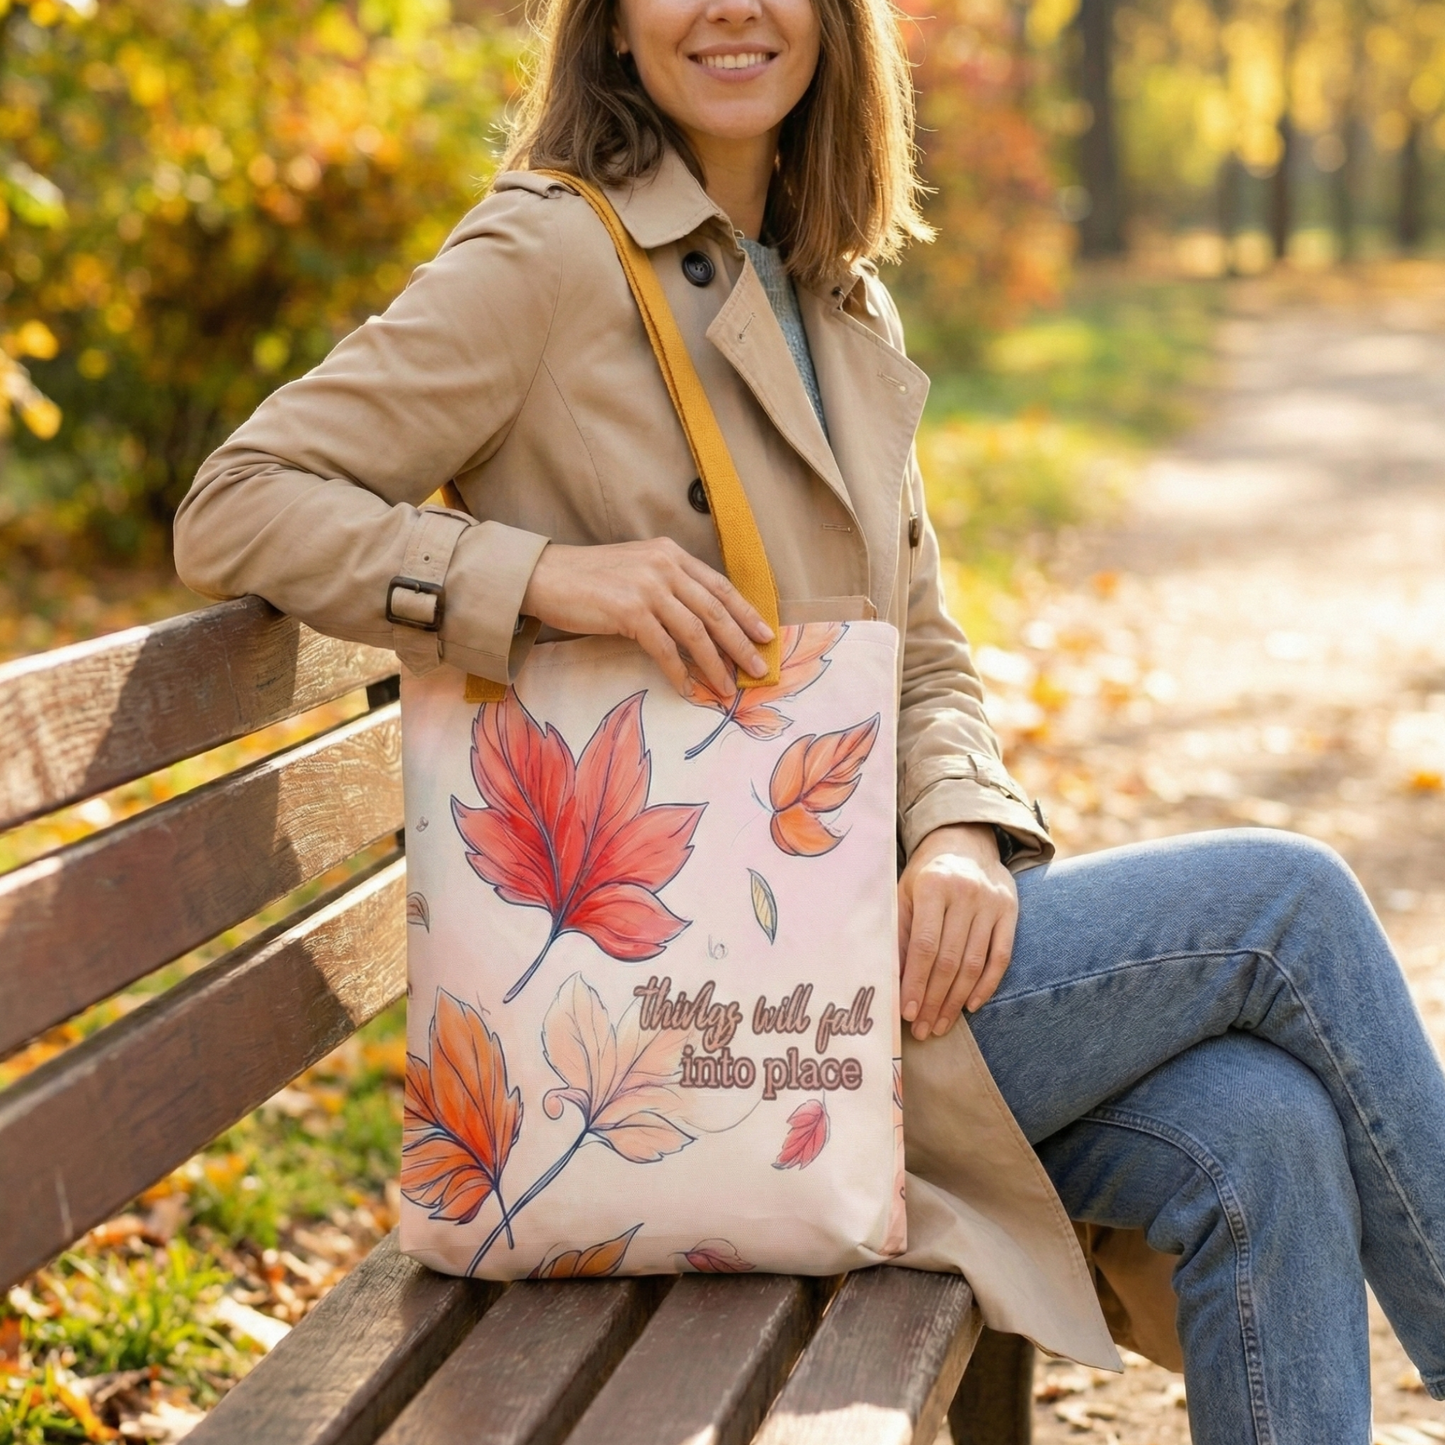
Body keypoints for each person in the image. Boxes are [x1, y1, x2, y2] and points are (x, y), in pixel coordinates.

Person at [172, 0, 1445, 1437]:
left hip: (836, 968)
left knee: (1261, 1132)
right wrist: (547, 578)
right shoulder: (548, 255)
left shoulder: (838, 298)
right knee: (1290, 906)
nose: (732, 8)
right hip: (688, 1010)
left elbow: (923, 651)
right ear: (611, 22)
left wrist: (959, 830)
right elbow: (238, 503)